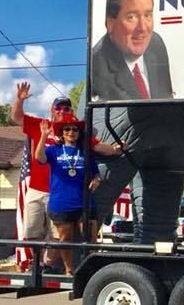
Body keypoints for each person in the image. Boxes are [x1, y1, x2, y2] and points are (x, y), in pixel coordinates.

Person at [11, 82, 121, 270]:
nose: (63, 111)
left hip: (61, 196)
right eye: (58, 107)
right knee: (32, 231)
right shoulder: (40, 125)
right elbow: (16, 117)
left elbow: (96, 147)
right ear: (51, 109)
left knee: (59, 236)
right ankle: (35, 266)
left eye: (67, 108)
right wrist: (19, 100)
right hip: (37, 189)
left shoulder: (77, 134)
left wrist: (116, 149)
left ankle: (48, 264)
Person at [34, 113, 101, 275]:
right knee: (65, 239)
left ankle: (92, 271)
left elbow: (96, 173)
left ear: (79, 133)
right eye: (67, 129)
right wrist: (43, 136)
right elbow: (39, 157)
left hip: (85, 202)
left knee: (90, 238)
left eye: (75, 129)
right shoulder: (54, 150)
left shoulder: (85, 152)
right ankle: (69, 270)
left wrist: (97, 180)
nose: (71, 132)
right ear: (62, 133)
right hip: (62, 203)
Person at [90, 0, 172, 101]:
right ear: (110, 24)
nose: (143, 28)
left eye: (148, 15)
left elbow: (167, 98)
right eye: (131, 17)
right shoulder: (98, 65)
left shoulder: (156, 44)